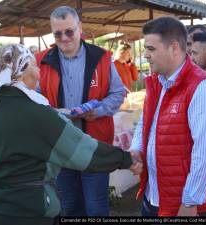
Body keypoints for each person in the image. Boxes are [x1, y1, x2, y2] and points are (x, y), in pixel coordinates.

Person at [0, 44, 142, 225]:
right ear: (21, 73)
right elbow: (85, 152)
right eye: (34, 66)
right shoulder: (41, 115)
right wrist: (125, 159)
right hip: (33, 212)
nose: (39, 71)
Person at [35, 6, 126, 216]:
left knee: (96, 208)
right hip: (61, 145)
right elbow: (34, 99)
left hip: (94, 146)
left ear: (80, 28)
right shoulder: (41, 61)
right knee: (70, 207)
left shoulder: (101, 57)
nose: (64, 38)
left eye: (69, 31)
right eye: (58, 33)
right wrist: (53, 112)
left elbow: (118, 93)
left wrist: (99, 110)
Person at [129, 16, 206, 216]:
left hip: (183, 205)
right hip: (153, 196)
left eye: (151, 49)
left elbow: (205, 153)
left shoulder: (202, 87)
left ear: (174, 48)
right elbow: (145, 121)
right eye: (145, 48)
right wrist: (137, 148)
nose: (145, 55)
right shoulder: (156, 82)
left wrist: (190, 202)